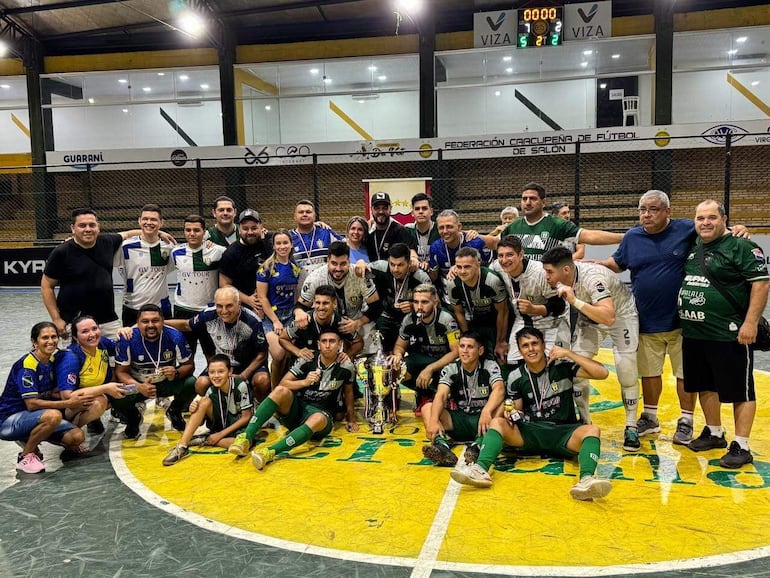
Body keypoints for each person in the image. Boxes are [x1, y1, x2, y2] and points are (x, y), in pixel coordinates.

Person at [450, 327, 612, 501]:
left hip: (562, 432)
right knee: (497, 423)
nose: (531, 349)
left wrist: (568, 354)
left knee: (592, 430)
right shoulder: (515, 377)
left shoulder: (562, 367)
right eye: (525, 346)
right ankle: (480, 470)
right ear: (520, 351)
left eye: (535, 343)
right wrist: (510, 413)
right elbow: (517, 410)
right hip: (531, 432)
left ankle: (586, 480)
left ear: (544, 346)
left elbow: (602, 373)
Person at [678, 200, 769, 468]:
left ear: (724, 219)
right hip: (695, 332)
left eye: (711, 217)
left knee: (740, 390)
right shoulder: (696, 245)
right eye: (700, 218)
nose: (705, 222)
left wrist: (750, 323)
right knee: (705, 384)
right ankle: (714, 432)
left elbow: (761, 284)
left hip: (729, 333)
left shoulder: (742, 246)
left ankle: (741, 444)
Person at [541, 246, 641, 451]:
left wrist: (574, 300)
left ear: (566, 270)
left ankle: (631, 426)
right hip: (590, 319)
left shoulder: (593, 278)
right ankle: (585, 423)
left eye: (550, 271)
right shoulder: (565, 277)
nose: (546, 276)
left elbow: (608, 317)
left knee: (626, 369)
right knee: (577, 371)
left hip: (621, 316)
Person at [227, 329, 359, 466]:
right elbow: (284, 383)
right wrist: (305, 382)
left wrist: (351, 419)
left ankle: (270, 452)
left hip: (322, 415)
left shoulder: (346, 366)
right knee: (280, 390)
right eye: (324, 341)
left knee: (317, 418)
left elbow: (348, 392)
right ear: (318, 344)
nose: (328, 345)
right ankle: (245, 438)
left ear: (340, 345)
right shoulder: (308, 359)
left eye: (332, 341)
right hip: (298, 409)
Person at [0, 322, 89, 474]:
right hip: (8, 421)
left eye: (54, 337)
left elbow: (47, 392)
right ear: (34, 342)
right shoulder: (27, 366)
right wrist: (68, 402)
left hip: (35, 418)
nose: (51, 341)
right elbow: (32, 405)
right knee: (53, 415)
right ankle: (26, 456)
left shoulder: (52, 361)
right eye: (45, 337)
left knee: (76, 436)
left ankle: (31, 437)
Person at [166, 286, 270, 401]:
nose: (224, 311)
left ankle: (257, 406)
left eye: (229, 305)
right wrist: (160, 323)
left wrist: (243, 376)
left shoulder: (252, 321)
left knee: (262, 380)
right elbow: (186, 325)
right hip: (222, 364)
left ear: (238, 303)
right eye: (219, 306)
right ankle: (216, 409)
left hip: (247, 365)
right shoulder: (208, 315)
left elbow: (262, 355)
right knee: (201, 384)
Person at [112, 304, 197, 439]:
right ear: (138, 323)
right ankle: (134, 417)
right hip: (138, 384)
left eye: (155, 320)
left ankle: (174, 410)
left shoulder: (175, 336)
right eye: (145, 321)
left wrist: (176, 372)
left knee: (192, 382)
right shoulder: (127, 339)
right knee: (115, 395)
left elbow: (189, 365)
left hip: (165, 383)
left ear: (163, 321)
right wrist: (139, 387)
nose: (150, 325)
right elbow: (121, 372)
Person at [421, 332, 505, 467]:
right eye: (462, 346)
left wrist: (486, 411)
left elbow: (499, 389)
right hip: (461, 419)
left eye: (470, 347)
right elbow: (441, 395)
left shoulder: (490, 366)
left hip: (483, 421)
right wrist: (433, 420)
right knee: (428, 409)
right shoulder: (451, 368)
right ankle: (442, 447)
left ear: (480, 350)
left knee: (501, 406)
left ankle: (477, 446)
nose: (465, 351)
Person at [41, 208, 126, 340]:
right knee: (76, 360)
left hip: (108, 321)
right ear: (73, 228)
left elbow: (127, 234)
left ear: (98, 227)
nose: (88, 229)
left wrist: (159, 233)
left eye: (92, 225)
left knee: (116, 357)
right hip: (74, 322)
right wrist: (56, 319)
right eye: (82, 225)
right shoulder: (61, 252)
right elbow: (46, 286)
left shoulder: (108, 242)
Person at [483, 182, 622, 260]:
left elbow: (589, 236)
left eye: (533, 198)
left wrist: (624, 237)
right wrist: (466, 235)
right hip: (521, 285)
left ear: (543, 202)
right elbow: (495, 242)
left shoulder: (556, 224)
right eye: (524, 199)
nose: (527, 202)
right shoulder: (514, 226)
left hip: (548, 285)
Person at [491, 235, 569, 367]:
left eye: (510, 255)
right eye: (500, 255)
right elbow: (479, 271)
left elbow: (559, 305)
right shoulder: (496, 267)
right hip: (522, 320)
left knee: (551, 363)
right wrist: (455, 270)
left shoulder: (540, 272)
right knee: (513, 362)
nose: (504, 260)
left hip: (551, 322)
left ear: (521, 255)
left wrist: (535, 309)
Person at [162, 354, 254, 466]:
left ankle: (205, 439)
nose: (216, 376)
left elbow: (246, 417)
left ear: (230, 372)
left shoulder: (241, 386)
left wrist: (220, 434)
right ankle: (182, 446)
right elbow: (200, 423)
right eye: (212, 372)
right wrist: (194, 410)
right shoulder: (211, 390)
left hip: (239, 428)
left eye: (221, 371)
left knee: (244, 443)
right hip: (220, 427)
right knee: (203, 401)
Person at [389, 283, 460, 416]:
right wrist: (398, 355)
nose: (419, 307)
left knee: (454, 368)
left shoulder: (446, 319)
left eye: (424, 302)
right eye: (416, 302)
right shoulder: (409, 320)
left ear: (435, 302)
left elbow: (456, 352)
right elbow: (399, 346)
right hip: (420, 361)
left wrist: (430, 369)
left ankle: (447, 395)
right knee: (397, 369)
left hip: (443, 363)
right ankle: (425, 395)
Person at [54, 315, 128, 433]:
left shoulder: (101, 343)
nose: (92, 334)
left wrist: (125, 332)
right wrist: (106, 388)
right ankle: (68, 433)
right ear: (75, 337)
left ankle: (94, 419)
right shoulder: (71, 358)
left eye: (94, 329)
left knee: (125, 376)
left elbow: (124, 349)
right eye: (85, 331)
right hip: (63, 406)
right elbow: (67, 396)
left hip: (90, 394)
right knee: (99, 402)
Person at [295, 242, 380, 343]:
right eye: (334, 263)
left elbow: (376, 306)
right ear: (328, 261)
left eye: (343, 264)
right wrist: (298, 312)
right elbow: (301, 305)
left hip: (355, 320)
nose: (338, 269)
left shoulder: (360, 274)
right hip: (325, 324)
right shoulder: (314, 278)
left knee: (373, 344)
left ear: (349, 261)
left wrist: (358, 323)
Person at [170, 214, 226, 353]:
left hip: (209, 310)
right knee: (185, 355)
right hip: (183, 309)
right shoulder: (176, 252)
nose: (192, 234)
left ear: (204, 232)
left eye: (196, 230)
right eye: (188, 230)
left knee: (212, 355)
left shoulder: (217, 251)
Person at [364, 242, 431, 352]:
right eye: (392, 264)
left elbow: (431, 304)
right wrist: (361, 263)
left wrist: (414, 306)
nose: (395, 269)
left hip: (409, 318)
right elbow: (362, 268)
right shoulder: (381, 267)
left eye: (400, 265)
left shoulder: (421, 278)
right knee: (380, 346)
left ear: (409, 263)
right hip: (386, 316)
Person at [446, 247, 509, 362]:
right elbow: (459, 313)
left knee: (499, 355)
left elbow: (503, 312)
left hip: (495, 322)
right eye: (459, 267)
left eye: (467, 267)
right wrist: (466, 337)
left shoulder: (492, 280)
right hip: (473, 322)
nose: (462, 271)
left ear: (478, 264)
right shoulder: (452, 283)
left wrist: (501, 341)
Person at [115, 204, 174, 326]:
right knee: (131, 343)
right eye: (145, 219)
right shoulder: (125, 246)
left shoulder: (168, 247)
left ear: (161, 222)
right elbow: (102, 243)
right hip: (132, 306)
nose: (149, 222)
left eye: (153, 219)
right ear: (139, 221)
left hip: (161, 307)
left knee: (165, 343)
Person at [257, 230, 301, 387]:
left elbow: (295, 294)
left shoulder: (295, 268)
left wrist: (297, 313)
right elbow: (262, 297)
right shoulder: (265, 269)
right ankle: (274, 388)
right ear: (274, 246)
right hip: (272, 317)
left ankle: (285, 387)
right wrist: (275, 321)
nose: (282, 246)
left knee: (290, 354)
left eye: (285, 243)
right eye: (279, 243)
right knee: (278, 354)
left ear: (291, 245)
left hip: (290, 315)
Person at [280, 285, 363, 362]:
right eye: (318, 303)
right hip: (304, 365)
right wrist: (298, 352)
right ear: (313, 303)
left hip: (330, 366)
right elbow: (282, 339)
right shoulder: (304, 320)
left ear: (334, 304)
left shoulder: (342, 322)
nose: (321, 307)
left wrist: (347, 355)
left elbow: (359, 342)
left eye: (325, 303)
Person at [218, 209, 272, 313]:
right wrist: (248, 300)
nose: (250, 232)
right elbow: (224, 284)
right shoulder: (231, 253)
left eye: (254, 228)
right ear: (239, 229)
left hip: (273, 304)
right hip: (244, 308)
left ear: (261, 227)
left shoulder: (269, 245)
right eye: (245, 228)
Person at [428, 209, 490, 294]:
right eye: (441, 228)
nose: (445, 231)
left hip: (478, 294)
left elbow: (488, 271)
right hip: (449, 296)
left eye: (449, 226)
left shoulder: (476, 243)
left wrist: (460, 267)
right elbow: (433, 277)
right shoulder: (435, 247)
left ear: (459, 227)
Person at [290, 199, 344, 279]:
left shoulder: (326, 233)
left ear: (314, 216)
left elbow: (348, 245)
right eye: (301, 212)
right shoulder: (288, 238)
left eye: (308, 212)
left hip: (325, 285)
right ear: (295, 217)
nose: (304, 214)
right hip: (299, 286)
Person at [366, 192, 417, 264]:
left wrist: (413, 259)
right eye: (377, 208)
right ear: (371, 210)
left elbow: (411, 250)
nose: (381, 211)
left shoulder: (400, 231)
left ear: (390, 209)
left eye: (384, 208)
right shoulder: (368, 232)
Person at [405, 193, 440, 270]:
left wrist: (471, 233)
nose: (420, 211)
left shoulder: (440, 229)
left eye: (424, 208)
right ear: (412, 213)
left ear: (431, 211)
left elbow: (456, 233)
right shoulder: (407, 229)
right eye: (417, 209)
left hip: (436, 271)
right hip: (415, 270)